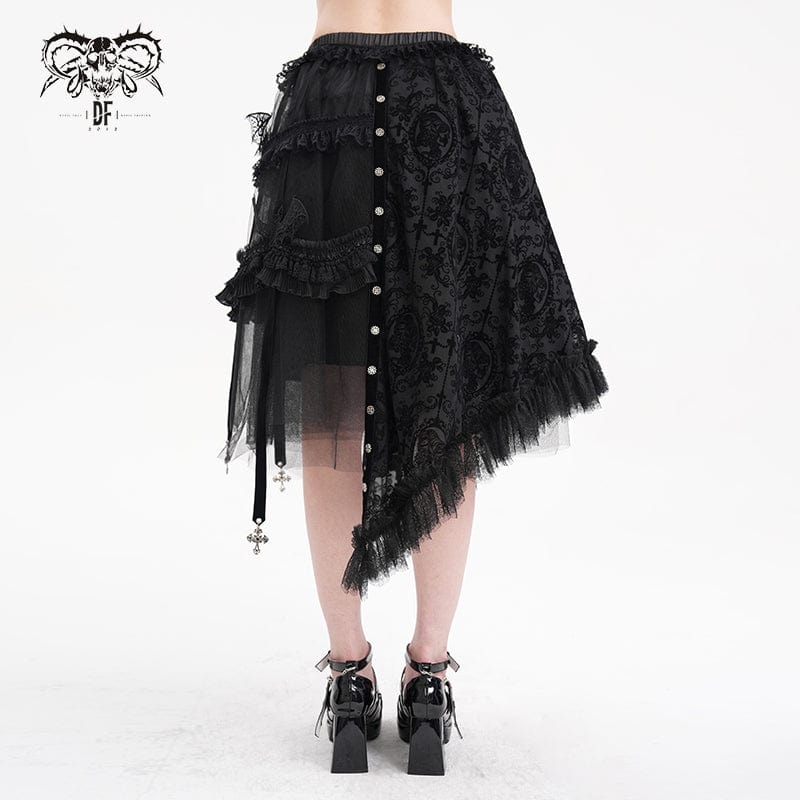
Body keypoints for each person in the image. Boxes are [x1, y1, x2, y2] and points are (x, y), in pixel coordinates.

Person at [215, 0, 609, 775]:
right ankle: (428, 678)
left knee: (329, 411)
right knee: (448, 400)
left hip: (329, 111)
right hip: (443, 103)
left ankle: (348, 679)